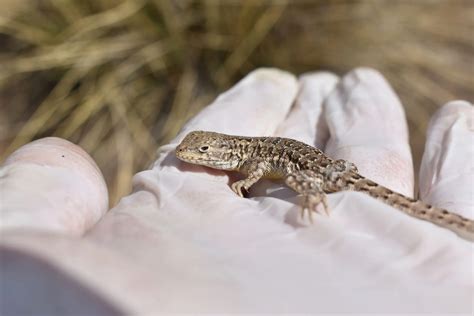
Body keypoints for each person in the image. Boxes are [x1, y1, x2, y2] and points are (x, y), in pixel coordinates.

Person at [1, 68, 472, 315]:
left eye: (201, 150)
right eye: (196, 151)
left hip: (324, 173)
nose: (192, 155)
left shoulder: (249, 155)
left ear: (220, 150)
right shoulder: (238, 150)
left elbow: (266, 162)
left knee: (341, 185)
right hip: (329, 165)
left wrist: (254, 182)